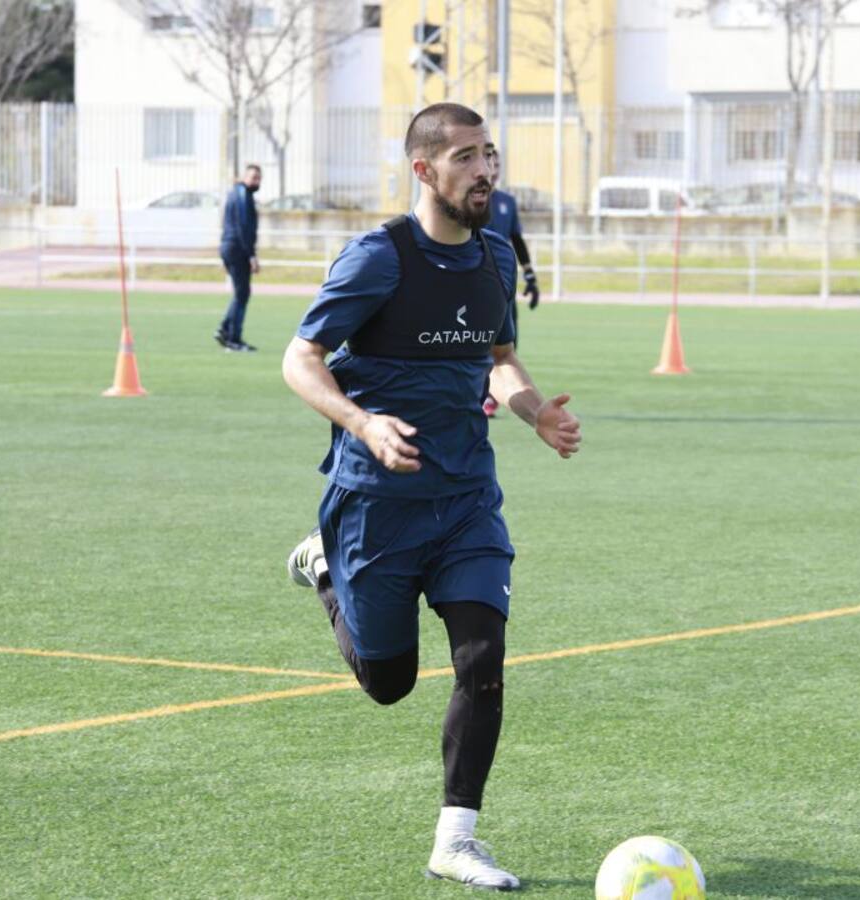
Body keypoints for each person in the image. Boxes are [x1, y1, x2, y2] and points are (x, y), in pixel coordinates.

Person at [280, 102, 581, 891]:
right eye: (466, 158)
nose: (486, 171)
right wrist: (362, 422)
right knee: (389, 684)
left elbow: (499, 358)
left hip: (466, 499)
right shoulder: (378, 259)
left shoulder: (495, 258)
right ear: (424, 170)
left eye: (490, 154)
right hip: (377, 502)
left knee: (483, 659)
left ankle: (457, 840)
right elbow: (300, 359)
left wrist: (536, 412)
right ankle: (324, 567)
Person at [482, 149, 539, 416]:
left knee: (506, 342)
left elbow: (516, 239)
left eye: (497, 164)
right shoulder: (469, 202)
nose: (493, 169)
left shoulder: (506, 202)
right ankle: (483, 392)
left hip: (503, 282)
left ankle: (495, 393)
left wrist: (530, 275)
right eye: (489, 162)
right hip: (476, 280)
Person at [214, 164, 261, 352]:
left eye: (258, 178)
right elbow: (243, 226)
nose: (256, 181)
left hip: (231, 247)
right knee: (242, 293)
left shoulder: (238, 193)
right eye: (253, 177)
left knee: (241, 292)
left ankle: (225, 329)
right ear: (244, 177)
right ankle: (233, 338)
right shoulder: (242, 195)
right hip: (237, 248)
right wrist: (251, 255)